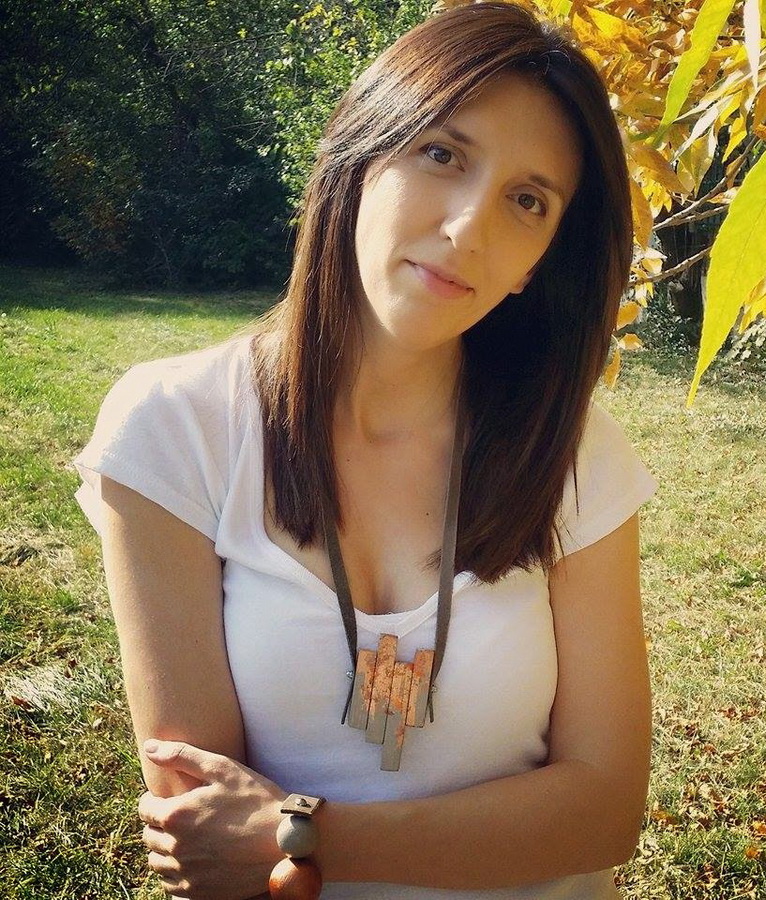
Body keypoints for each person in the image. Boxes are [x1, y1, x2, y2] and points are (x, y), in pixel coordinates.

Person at [74, 2, 657, 898]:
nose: (468, 228)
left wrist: (307, 835)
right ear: (360, 152)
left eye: (527, 201)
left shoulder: (574, 451)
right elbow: (206, 837)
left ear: (538, 262)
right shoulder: (173, 429)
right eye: (443, 154)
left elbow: (605, 811)